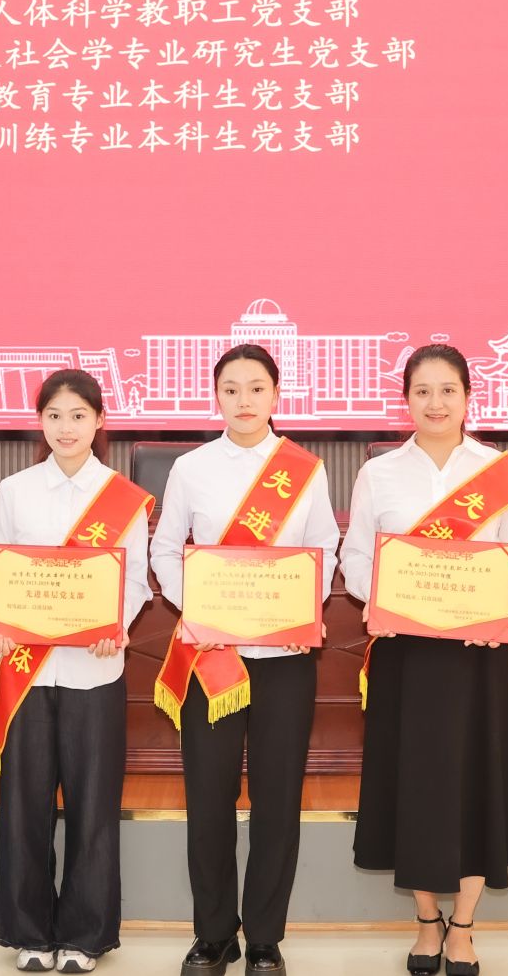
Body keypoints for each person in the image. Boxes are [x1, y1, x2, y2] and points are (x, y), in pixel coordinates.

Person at [340, 345, 508, 976]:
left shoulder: (498, 472)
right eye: (422, 391)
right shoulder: (380, 473)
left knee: (477, 783)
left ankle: (464, 926)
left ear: (467, 397)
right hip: (407, 656)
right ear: (406, 399)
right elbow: (356, 558)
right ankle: (427, 920)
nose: (435, 403)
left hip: (478, 655)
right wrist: (385, 601)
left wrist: (494, 611)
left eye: (448, 390)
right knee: (416, 786)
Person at [150, 345, 340, 976]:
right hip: (213, 656)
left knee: (277, 800)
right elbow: (164, 550)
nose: (244, 400)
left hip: (284, 655)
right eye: (230, 389)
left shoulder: (303, 469)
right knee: (209, 797)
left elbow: (323, 548)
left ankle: (263, 937)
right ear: (216, 397)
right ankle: (212, 935)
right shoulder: (191, 468)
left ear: (276, 395)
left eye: (256, 388)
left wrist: (301, 612)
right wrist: (199, 609)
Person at [0, 370, 153, 975]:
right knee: (23, 804)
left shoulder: (123, 497)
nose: (66, 427)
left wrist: (114, 624)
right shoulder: (15, 490)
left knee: (92, 808)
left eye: (78, 415)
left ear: (99, 421)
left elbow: (134, 582)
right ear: (40, 422)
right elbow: (2, 570)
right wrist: (0, 623)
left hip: (93, 670)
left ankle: (84, 935)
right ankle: (28, 932)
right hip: (27, 672)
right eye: (54, 415)